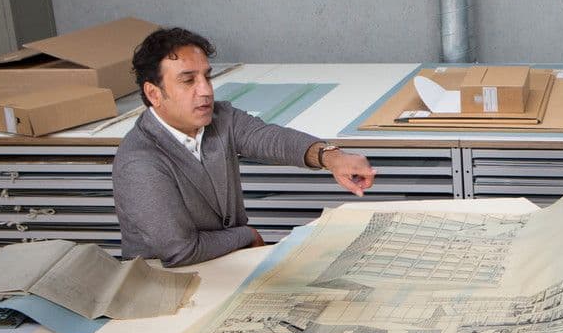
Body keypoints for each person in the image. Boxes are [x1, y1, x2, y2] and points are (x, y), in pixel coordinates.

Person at [113, 27, 377, 267]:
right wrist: (244, 235)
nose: (205, 90)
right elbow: (179, 250)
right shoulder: (140, 162)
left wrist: (331, 157)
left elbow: (269, 138)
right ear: (154, 94)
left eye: (207, 76)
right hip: (166, 282)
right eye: (188, 80)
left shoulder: (220, 118)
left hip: (223, 264)